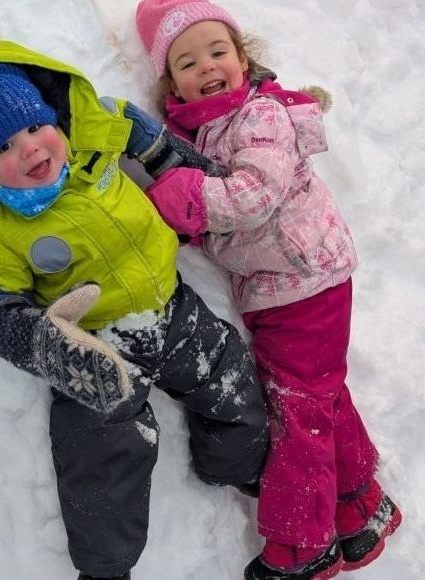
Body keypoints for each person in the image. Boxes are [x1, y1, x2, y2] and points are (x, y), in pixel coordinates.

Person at [0, 39, 268, 580]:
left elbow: (139, 132)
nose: (31, 149)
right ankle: (105, 566)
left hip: (172, 307)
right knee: (97, 448)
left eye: (35, 127)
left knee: (228, 375)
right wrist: (44, 344)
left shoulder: (92, 148)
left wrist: (199, 171)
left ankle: (239, 465)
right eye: (4, 147)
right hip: (93, 345)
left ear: (55, 119)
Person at [123, 1, 402, 578]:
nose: (207, 66)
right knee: (316, 397)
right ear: (171, 83)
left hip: (306, 281)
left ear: (243, 58)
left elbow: (253, 195)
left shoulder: (259, 116)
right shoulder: (205, 132)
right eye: (187, 62)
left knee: (296, 412)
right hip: (286, 285)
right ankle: (359, 506)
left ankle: (302, 547)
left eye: (218, 51)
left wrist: (184, 199)